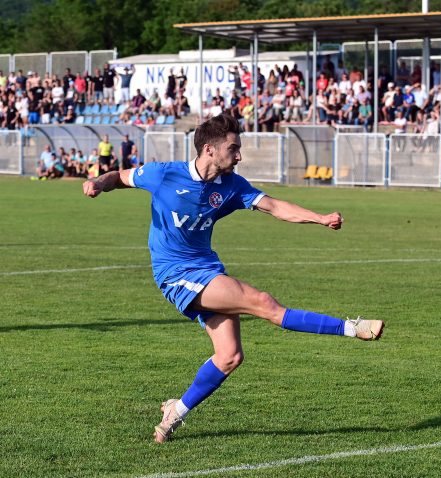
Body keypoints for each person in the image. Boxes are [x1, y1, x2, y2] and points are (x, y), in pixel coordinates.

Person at [81, 114, 384, 443]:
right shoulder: (164, 174)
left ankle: (175, 412)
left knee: (229, 356)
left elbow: (275, 206)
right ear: (209, 149)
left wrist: (320, 218)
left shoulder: (231, 187)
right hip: (174, 273)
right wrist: (98, 183)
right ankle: (355, 328)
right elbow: (120, 177)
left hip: (207, 269)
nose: (239, 156)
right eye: (233, 148)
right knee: (264, 303)